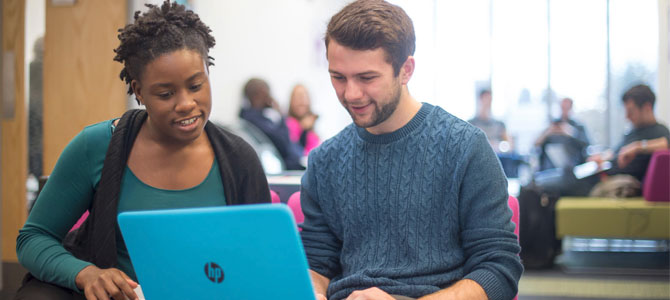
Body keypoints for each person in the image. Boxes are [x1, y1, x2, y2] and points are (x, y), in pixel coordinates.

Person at [15, 2, 270, 299]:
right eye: (165, 93)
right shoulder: (99, 145)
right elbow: (33, 238)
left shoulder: (239, 158)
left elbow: (261, 260)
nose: (186, 103)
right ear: (138, 91)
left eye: (196, 85)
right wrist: (86, 274)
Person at [299, 1, 522, 300]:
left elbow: (499, 269)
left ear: (406, 70)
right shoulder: (325, 161)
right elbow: (316, 262)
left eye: (367, 78)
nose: (350, 94)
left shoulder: (465, 148)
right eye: (338, 77)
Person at [591, 84, 669, 183]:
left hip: (619, 180)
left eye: (631, 111)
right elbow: (615, 152)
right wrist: (602, 158)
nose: (627, 116)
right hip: (602, 172)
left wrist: (637, 146)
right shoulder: (633, 132)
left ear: (647, 107)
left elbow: (668, 143)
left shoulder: (659, 131)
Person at [240, 78, 305, 170]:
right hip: (286, 168)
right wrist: (280, 114)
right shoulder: (253, 120)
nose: (269, 97)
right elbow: (283, 143)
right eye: (267, 93)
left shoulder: (255, 117)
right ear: (257, 95)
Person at [534, 97, 590, 170]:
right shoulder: (554, 124)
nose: (564, 110)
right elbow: (536, 144)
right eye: (563, 107)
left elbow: (587, 145)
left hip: (572, 167)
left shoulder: (578, 126)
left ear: (571, 108)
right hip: (550, 167)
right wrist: (548, 133)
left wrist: (571, 133)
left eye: (567, 107)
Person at [286, 84, 321, 155]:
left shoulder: (311, 125)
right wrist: (304, 130)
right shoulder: (288, 124)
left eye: (304, 97)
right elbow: (295, 153)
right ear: (291, 101)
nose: (301, 101)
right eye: (297, 97)